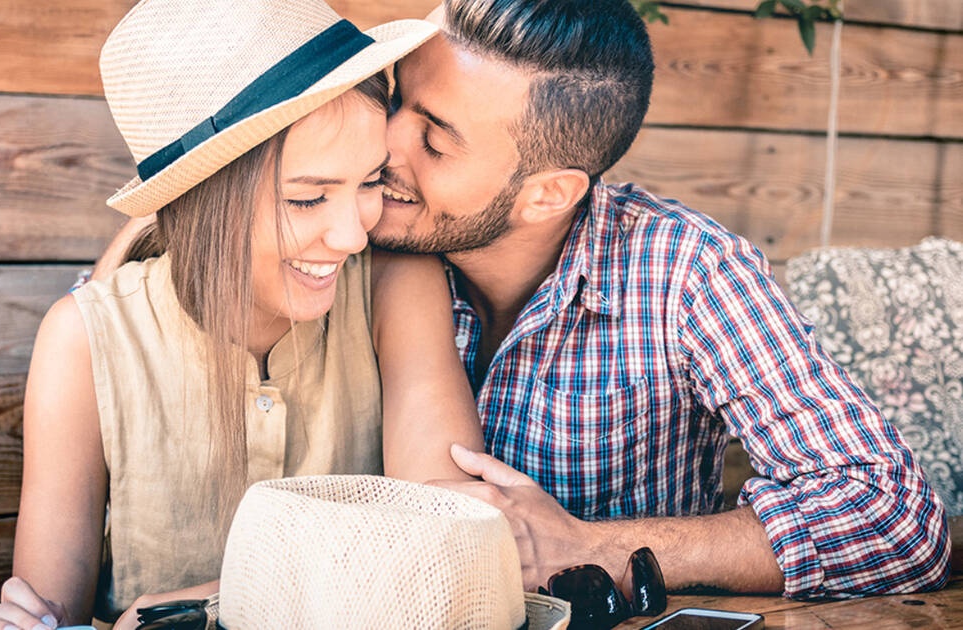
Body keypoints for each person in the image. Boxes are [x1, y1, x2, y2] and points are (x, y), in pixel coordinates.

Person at [367, 0, 951, 600]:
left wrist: (595, 549)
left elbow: (895, 519)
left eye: (434, 143)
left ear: (548, 195)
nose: (384, 145)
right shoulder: (343, 232)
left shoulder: (687, 271)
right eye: (393, 100)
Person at [0, 1, 485, 629]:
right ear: (206, 203)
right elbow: (49, 611)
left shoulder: (396, 286)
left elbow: (454, 539)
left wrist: (202, 605)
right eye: (308, 198)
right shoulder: (84, 340)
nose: (352, 236)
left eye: (369, 182)